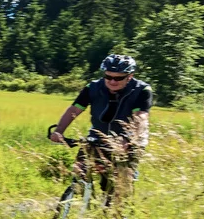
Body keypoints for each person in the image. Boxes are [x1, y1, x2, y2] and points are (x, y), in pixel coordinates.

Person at [49, 54, 152, 205]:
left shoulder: (142, 90)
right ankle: (86, 200)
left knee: (119, 187)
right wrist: (59, 131)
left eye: (118, 78)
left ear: (129, 77)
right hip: (98, 135)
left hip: (130, 139)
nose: (112, 81)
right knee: (79, 170)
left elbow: (140, 118)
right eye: (108, 76)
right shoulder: (93, 88)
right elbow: (74, 109)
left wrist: (127, 139)